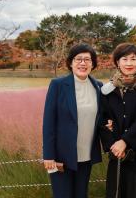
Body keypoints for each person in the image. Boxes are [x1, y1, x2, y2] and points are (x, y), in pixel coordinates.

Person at [42, 43, 102, 198]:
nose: (83, 63)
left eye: (87, 59)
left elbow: (102, 118)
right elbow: (49, 123)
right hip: (61, 157)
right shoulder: (58, 85)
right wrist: (48, 155)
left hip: (86, 155)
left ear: (93, 63)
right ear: (70, 62)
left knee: (81, 195)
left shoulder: (99, 87)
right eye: (78, 59)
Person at [99, 43, 136, 198]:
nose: (129, 63)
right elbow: (103, 119)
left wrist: (125, 141)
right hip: (117, 155)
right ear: (117, 62)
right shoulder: (109, 90)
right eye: (124, 59)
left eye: (133, 59)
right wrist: (113, 145)